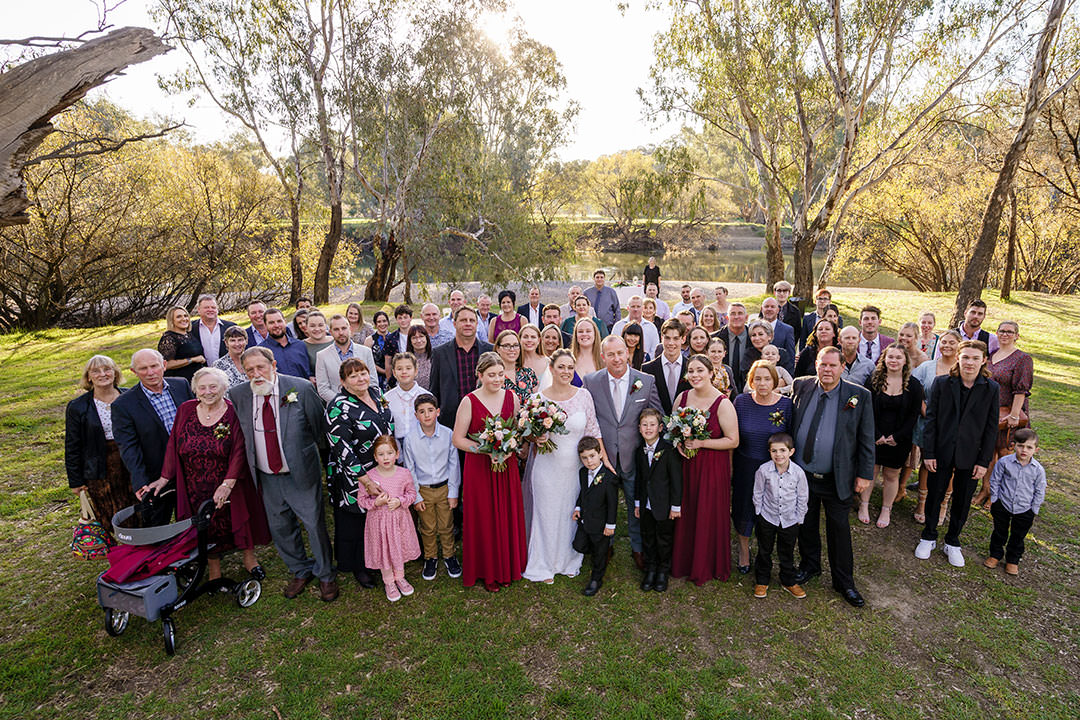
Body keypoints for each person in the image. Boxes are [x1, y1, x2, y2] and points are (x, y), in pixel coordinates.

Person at [229, 347, 336, 601]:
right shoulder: (239, 395)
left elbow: (319, 429)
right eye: (250, 370)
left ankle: (326, 575)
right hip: (266, 476)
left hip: (300, 472)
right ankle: (300, 569)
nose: (256, 374)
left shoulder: (299, 388)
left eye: (261, 367)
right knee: (280, 527)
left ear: (273, 365)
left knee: (313, 525)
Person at [146, 367, 269, 581]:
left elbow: (239, 450)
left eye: (213, 386)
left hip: (230, 480)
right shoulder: (185, 410)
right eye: (202, 388)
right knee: (205, 524)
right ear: (195, 390)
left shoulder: (233, 411)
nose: (208, 391)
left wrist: (227, 485)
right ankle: (214, 570)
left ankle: (250, 559)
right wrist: (164, 478)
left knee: (239, 520)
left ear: (223, 388)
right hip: (194, 482)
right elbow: (174, 445)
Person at [791, 346, 875, 608]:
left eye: (832, 366)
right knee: (806, 523)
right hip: (804, 473)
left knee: (838, 529)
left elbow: (866, 438)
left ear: (841, 368)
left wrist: (864, 474)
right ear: (816, 364)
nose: (827, 370)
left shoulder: (858, 396)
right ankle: (810, 565)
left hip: (837, 476)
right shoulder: (801, 386)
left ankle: (844, 582)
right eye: (822, 365)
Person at [523, 349, 606, 584]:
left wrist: (603, 461)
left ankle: (569, 559)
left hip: (575, 468)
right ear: (551, 369)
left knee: (571, 513)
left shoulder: (584, 396)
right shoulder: (538, 399)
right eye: (561, 367)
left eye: (570, 367)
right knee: (547, 514)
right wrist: (535, 438)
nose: (566, 372)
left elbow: (593, 430)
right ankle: (544, 562)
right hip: (547, 467)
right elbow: (527, 433)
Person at [915, 340, 999, 568]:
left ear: (983, 360)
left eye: (974, 358)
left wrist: (984, 461)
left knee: (962, 500)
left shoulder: (991, 389)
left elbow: (991, 428)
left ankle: (952, 541)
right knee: (935, 494)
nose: (969, 362)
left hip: (971, 455)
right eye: (966, 357)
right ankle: (929, 536)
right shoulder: (942, 384)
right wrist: (929, 452)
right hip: (941, 451)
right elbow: (930, 420)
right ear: (958, 358)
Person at [583, 336, 662, 570]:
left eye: (620, 353)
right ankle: (604, 547)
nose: (616, 358)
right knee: (601, 506)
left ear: (627, 353)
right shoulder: (591, 381)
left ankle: (638, 548)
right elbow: (589, 418)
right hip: (602, 457)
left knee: (635, 504)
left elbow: (658, 417)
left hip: (633, 457)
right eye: (611, 354)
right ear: (603, 357)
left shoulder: (645, 382)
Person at [452, 352, 527, 591]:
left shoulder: (512, 397)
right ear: (480, 375)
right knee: (484, 517)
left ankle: (508, 566)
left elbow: (516, 431)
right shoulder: (469, 401)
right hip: (480, 467)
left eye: (500, 374)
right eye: (491, 375)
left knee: (506, 513)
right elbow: (457, 439)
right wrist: (486, 450)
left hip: (507, 466)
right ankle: (488, 570)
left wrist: (510, 448)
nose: (497, 379)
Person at [670, 354, 740, 584]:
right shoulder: (682, 397)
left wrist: (701, 443)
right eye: (691, 371)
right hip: (686, 465)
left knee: (707, 511)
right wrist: (680, 442)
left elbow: (733, 441)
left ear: (711, 373)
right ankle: (684, 560)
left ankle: (707, 563)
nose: (695, 375)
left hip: (711, 467)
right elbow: (673, 430)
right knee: (687, 508)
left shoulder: (723, 402)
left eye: (700, 370)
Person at [324, 359, 393, 593]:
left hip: (381, 467)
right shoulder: (338, 407)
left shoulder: (376, 392)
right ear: (342, 381)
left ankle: (376, 558)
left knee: (375, 517)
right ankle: (357, 566)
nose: (360, 379)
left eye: (363, 373)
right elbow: (341, 446)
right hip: (355, 474)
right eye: (353, 376)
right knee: (355, 522)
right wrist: (364, 479)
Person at [112, 349, 196, 526]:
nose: (150, 373)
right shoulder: (123, 404)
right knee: (158, 522)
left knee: (194, 514)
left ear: (164, 365)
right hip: (156, 472)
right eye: (143, 369)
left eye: (154, 366)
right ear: (134, 372)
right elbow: (128, 447)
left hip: (190, 465)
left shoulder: (182, 385)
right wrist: (140, 480)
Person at [733, 359, 794, 572]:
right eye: (757, 379)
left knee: (769, 509)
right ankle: (743, 550)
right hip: (745, 467)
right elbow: (733, 436)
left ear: (775, 381)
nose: (762, 383)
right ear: (751, 381)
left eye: (767, 379)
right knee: (744, 508)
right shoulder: (741, 402)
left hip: (773, 469)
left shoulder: (786, 405)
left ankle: (764, 550)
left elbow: (790, 439)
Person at [65, 355, 135, 538]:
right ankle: (120, 552)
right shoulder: (78, 407)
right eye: (96, 371)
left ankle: (139, 551)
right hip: (99, 469)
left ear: (115, 373)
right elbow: (72, 445)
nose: (102, 374)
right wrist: (75, 481)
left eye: (107, 369)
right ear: (88, 377)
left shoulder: (131, 396)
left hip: (131, 462)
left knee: (136, 510)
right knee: (108, 513)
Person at [858, 345, 923, 528]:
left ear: (905, 361)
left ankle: (886, 508)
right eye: (890, 357)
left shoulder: (914, 385)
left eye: (898, 357)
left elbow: (914, 415)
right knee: (870, 471)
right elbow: (866, 409)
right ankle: (864, 505)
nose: (894, 361)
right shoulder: (874, 381)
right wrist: (875, 434)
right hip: (874, 435)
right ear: (884, 359)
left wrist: (898, 436)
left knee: (892, 474)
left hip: (899, 439)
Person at [402, 393, 462, 581]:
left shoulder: (448, 434)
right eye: (421, 412)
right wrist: (416, 496)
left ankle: (449, 555)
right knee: (427, 527)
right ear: (416, 415)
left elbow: (454, 465)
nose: (426, 415)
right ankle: (431, 557)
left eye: (430, 410)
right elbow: (409, 468)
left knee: (446, 524)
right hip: (424, 489)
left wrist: (453, 492)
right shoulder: (410, 439)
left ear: (437, 412)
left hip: (444, 488)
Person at [974, 321, 1034, 508]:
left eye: (1010, 332)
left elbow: (1021, 389)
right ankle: (986, 489)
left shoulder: (1022, 359)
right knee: (989, 453)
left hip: (1009, 413)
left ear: (1017, 335)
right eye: (1002, 331)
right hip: (990, 413)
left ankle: (998, 494)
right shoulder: (992, 355)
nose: (1005, 334)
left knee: (1005, 454)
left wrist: (1014, 415)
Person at [355, 435, 421, 602]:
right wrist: (376, 502)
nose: (386, 458)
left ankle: (400, 577)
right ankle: (389, 582)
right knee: (384, 550)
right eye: (381, 454)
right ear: (375, 457)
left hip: (399, 520)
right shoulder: (368, 477)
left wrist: (400, 501)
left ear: (397, 454)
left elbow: (412, 494)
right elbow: (361, 499)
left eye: (389, 453)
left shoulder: (404, 474)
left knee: (398, 548)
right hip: (379, 523)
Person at [910, 329, 961, 525]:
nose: (947, 346)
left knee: (950, 466)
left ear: (959, 346)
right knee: (927, 463)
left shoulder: (963, 368)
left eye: (952, 343)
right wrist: (927, 413)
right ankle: (922, 503)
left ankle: (942, 504)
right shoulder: (927, 367)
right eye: (944, 342)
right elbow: (917, 391)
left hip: (953, 427)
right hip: (928, 422)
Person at [752, 432, 809, 599]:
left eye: (783, 450)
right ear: (769, 452)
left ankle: (788, 580)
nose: (778, 455)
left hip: (790, 519)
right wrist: (759, 512)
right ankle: (762, 580)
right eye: (774, 451)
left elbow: (803, 496)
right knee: (764, 549)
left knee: (787, 551)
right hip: (768, 517)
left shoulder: (798, 473)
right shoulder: (764, 470)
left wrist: (800, 517)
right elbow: (758, 492)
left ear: (791, 452)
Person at [633, 408, 682, 592]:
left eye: (652, 425)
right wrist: (638, 502)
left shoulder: (668, 450)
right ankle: (650, 569)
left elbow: (676, 480)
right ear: (639, 428)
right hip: (646, 505)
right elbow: (639, 478)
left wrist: (675, 505)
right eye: (644, 425)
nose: (648, 428)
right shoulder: (639, 450)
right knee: (648, 538)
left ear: (660, 427)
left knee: (664, 539)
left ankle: (663, 571)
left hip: (664, 505)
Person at [985, 428, 1045, 576]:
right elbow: (995, 480)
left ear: (1036, 450)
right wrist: (995, 499)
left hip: (1024, 509)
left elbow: (1039, 490)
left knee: (1018, 536)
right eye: (1020, 445)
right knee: (999, 531)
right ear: (1014, 445)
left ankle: (1012, 559)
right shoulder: (1004, 462)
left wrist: (1033, 510)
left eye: (1029, 447)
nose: (1024, 450)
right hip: (1003, 504)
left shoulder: (1038, 470)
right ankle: (995, 554)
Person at [429, 306, 493, 432]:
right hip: (450, 422)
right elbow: (434, 390)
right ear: (454, 323)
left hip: (485, 420)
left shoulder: (490, 351)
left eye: (472, 320)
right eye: (463, 320)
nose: (468, 324)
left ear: (477, 324)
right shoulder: (439, 353)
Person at [572, 437, 619, 596]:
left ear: (600, 454)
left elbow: (613, 504)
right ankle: (605, 551)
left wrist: (610, 525)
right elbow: (583, 493)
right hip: (585, 521)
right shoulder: (583, 472)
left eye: (592, 456)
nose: (589, 461)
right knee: (579, 545)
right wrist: (578, 507)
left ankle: (596, 579)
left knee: (599, 555)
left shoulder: (609, 478)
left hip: (601, 524)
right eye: (584, 458)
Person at [316, 314, 379, 403]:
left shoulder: (366, 352)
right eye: (336, 329)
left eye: (344, 328)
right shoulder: (322, 356)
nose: (341, 332)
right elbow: (323, 389)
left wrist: (362, 401)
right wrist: (344, 402)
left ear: (350, 329)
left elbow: (373, 381)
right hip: (338, 408)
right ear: (330, 332)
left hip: (365, 404)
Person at [643, 319, 691, 416]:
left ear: (683, 339)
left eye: (676, 338)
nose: (671, 343)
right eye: (667, 338)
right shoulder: (647, 369)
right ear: (662, 338)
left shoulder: (691, 368)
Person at [384, 353, 428, 445]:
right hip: (396, 447)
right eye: (399, 369)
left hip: (422, 444)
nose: (404, 372)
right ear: (394, 373)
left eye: (408, 368)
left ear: (416, 371)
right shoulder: (386, 398)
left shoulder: (426, 396)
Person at [260, 307, 311, 379]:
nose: (276, 325)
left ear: (285, 322)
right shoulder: (261, 351)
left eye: (279, 321)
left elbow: (309, 372)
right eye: (271, 323)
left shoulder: (301, 345)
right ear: (265, 325)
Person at [159, 306, 205, 383]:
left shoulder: (189, 334)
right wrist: (192, 360)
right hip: (179, 381)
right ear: (172, 320)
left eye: (185, 315)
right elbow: (166, 364)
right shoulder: (168, 338)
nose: (184, 319)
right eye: (178, 317)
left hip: (195, 379)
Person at [192, 294, 237, 367]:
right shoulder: (190, 328)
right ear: (199, 310)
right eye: (206, 307)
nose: (210, 310)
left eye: (213, 307)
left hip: (227, 372)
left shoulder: (231, 327)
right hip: (201, 373)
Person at [494, 329, 537, 404]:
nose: (512, 349)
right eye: (507, 346)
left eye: (516, 345)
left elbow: (536, 402)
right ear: (498, 348)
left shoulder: (528, 373)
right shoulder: (491, 376)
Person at [717, 302, 750, 390]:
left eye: (740, 313)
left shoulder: (754, 338)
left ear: (746, 317)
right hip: (722, 390)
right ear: (727, 318)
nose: (736, 317)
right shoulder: (716, 338)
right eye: (733, 314)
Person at [381, 305, 414, 387]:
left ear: (411, 318)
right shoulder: (391, 338)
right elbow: (388, 362)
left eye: (405, 317)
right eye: (400, 318)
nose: (403, 320)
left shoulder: (417, 335)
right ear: (396, 319)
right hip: (398, 377)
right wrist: (390, 380)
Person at [758, 298, 797, 363]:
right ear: (762, 309)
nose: (769, 309)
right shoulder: (752, 328)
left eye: (772, 307)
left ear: (778, 310)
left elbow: (790, 357)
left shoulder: (787, 330)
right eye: (766, 306)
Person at [303, 311, 333, 381]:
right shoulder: (302, 345)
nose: (317, 329)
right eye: (312, 326)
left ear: (326, 326)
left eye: (320, 325)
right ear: (306, 327)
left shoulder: (335, 342)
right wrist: (309, 377)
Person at [773, 281, 803, 347]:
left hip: (788, 345)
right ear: (774, 292)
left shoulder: (795, 311)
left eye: (785, 291)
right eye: (779, 291)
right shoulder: (767, 308)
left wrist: (790, 344)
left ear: (789, 293)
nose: (782, 293)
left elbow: (797, 332)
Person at [366, 310, 391, 386]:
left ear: (388, 322)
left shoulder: (394, 337)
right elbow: (367, 361)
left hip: (394, 375)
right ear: (375, 324)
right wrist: (384, 371)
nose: (382, 324)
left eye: (384, 321)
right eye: (379, 322)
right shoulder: (369, 340)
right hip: (376, 377)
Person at [406, 324, 434, 389]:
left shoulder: (436, 357)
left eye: (421, 336)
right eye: (414, 338)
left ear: (426, 338)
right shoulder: (405, 359)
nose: (418, 340)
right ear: (410, 341)